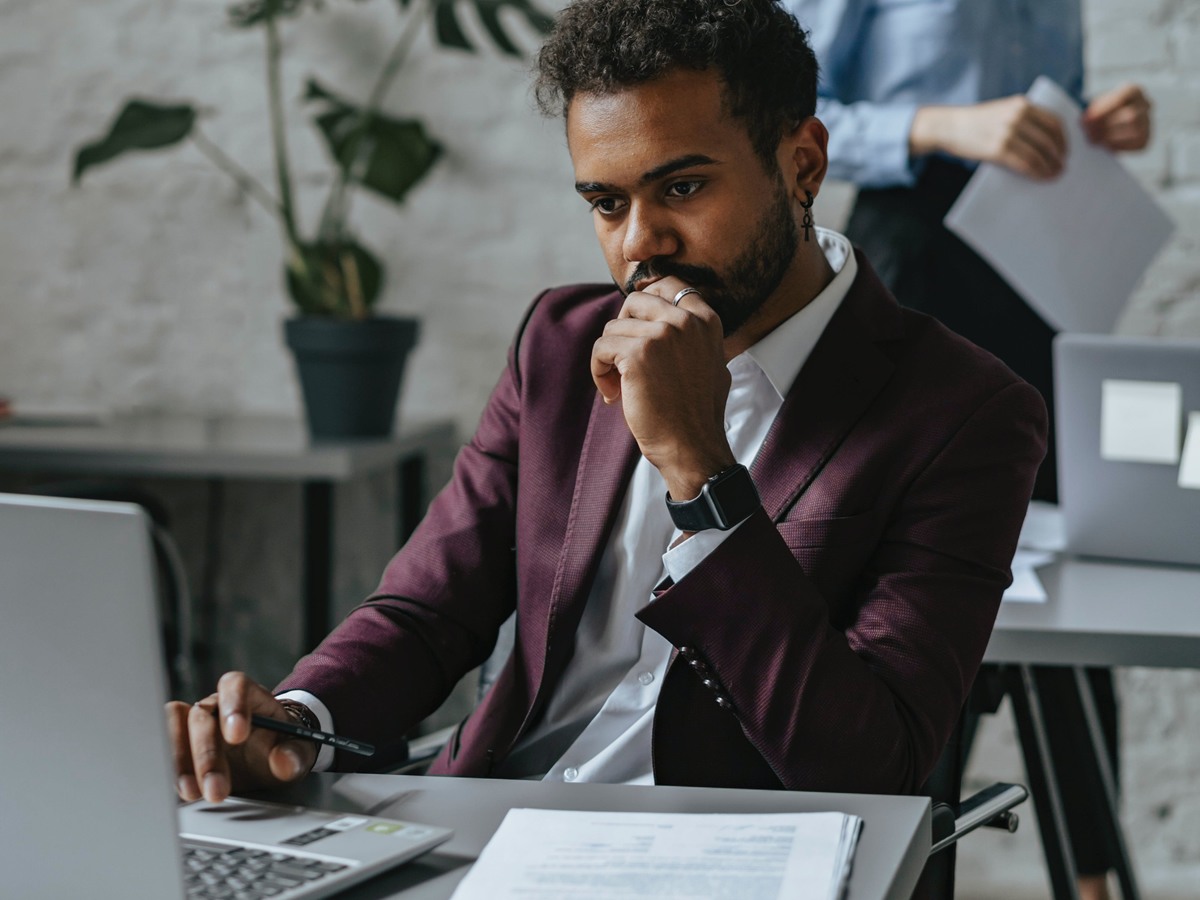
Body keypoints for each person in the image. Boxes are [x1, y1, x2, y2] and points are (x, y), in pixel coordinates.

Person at [168, 0, 1045, 819]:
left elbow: (869, 768)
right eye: (607, 203)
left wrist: (701, 474)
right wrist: (292, 725)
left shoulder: (966, 415)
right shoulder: (558, 345)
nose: (639, 244)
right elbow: (427, 613)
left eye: (683, 189)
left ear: (802, 165)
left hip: (725, 859)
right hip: (489, 830)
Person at [784, 2, 1150, 897]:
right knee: (906, 583)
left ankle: (1090, 879)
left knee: (1070, 575)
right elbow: (781, 114)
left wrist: (1098, 118)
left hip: (1039, 260)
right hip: (913, 265)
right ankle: (895, 873)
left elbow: (1040, 110)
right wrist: (944, 124)